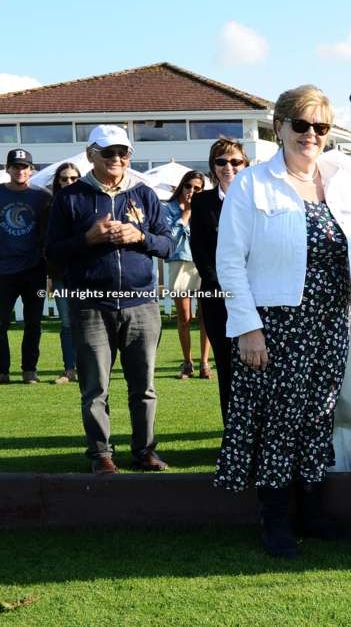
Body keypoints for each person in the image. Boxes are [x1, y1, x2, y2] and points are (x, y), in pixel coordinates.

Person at [214, 85, 351, 559]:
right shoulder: (251, 185)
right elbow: (229, 262)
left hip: (330, 322)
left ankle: (311, 513)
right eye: (301, 125)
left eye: (321, 127)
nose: (311, 135)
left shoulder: (341, 183)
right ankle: (274, 521)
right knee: (279, 423)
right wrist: (248, 327)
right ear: (280, 127)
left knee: (318, 417)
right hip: (275, 326)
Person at [46, 125, 173, 474]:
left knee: (144, 386)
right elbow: (52, 254)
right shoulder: (69, 197)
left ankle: (145, 450)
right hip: (91, 305)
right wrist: (88, 238)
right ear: (91, 155)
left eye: (123, 152)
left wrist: (140, 235)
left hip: (141, 305)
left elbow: (167, 245)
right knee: (95, 388)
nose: (117, 158)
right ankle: (101, 454)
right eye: (108, 152)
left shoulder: (144, 193)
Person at [190, 137, 247, 421]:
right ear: (213, 167)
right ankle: (231, 434)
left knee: (259, 368)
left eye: (235, 161)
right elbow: (200, 251)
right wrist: (225, 289)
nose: (229, 167)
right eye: (222, 162)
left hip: (257, 296)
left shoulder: (257, 199)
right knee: (226, 366)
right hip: (217, 298)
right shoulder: (202, 202)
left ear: (245, 164)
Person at [0, 148, 51, 385]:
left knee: (33, 323)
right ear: (7, 168)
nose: (20, 170)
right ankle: (2, 371)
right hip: (3, 271)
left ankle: (29, 370)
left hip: (34, 270)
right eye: (15, 166)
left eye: (24, 166)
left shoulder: (43, 196)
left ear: (31, 170)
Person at [163, 170, 210, 379]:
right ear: (182, 186)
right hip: (179, 263)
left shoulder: (205, 208)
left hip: (203, 265)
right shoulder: (168, 208)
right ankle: (187, 362)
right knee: (184, 317)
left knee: (205, 317)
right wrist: (184, 216)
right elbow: (168, 239)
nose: (191, 191)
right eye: (188, 186)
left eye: (197, 188)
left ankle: (205, 363)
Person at [47, 163, 81, 384]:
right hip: (61, 274)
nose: (69, 182)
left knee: (90, 322)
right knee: (67, 323)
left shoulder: (90, 203)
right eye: (64, 179)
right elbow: (47, 245)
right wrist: (50, 276)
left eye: (74, 178)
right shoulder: (50, 207)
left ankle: (89, 367)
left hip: (88, 274)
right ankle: (69, 369)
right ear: (57, 182)